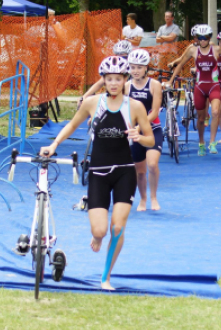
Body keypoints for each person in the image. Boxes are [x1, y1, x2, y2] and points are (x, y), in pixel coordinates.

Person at [40, 56, 154, 290]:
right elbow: (71, 125)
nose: (113, 83)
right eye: (109, 79)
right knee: (100, 229)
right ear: (103, 81)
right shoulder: (93, 103)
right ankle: (98, 237)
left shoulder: (135, 106)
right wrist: (53, 146)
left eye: (118, 79)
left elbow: (150, 139)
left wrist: (138, 137)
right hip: (99, 173)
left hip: (125, 172)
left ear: (124, 80)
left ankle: (106, 277)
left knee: (118, 227)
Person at [167, 24, 221, 156]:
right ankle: (201, 143)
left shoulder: (216, 49)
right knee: (201, 118)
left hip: (214, 85)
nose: (202, 40)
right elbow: (181, 64)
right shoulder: (193, 50)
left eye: (205, 38)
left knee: (215, 112)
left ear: (209, 38)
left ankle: (212, 142)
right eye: (200, 38)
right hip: (200, 87)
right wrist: (171, 80)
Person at [126, 49, 163, 211]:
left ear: (146, 68)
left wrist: (141, 125)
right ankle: (143, 199)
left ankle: (154, 197)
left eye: (139, 67)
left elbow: (154, 111)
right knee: (139, 172)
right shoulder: (126, 86)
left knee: (152, 164)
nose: (135, 71)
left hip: (152, 129)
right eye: (132, 67)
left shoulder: (154, 85)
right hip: (135, 133)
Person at [76, 40, 133, 110]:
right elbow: (99, 83)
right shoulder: (114, 68)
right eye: (118, 57)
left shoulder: (135, 70)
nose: (121, 60)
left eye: (124, 57)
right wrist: (84, 97)